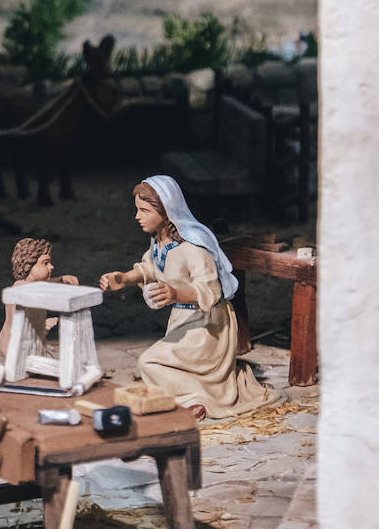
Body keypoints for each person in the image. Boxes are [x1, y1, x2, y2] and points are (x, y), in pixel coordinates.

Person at [98, 176, 275, 421]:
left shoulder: (194, 247)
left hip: (209, 326)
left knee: (149, 362)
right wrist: (126, 278)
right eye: (137, 210)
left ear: (166, 211)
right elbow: (151, 267)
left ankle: (196, 399)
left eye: (144, 211)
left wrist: (175, 294)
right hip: (184, 320)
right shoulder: (159, 242)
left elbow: (211, 291)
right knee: (159, 364)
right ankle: (202, 391)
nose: (137, 216)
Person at [0, 237, 79, 356]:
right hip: (18, 351)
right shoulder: (21, 291)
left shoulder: (28, 285)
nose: (51, 267)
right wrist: (41, 326)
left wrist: (61, 280)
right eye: (45, 263)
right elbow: (20, 322)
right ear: (29, 266)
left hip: (18, 346)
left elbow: (44, 286)